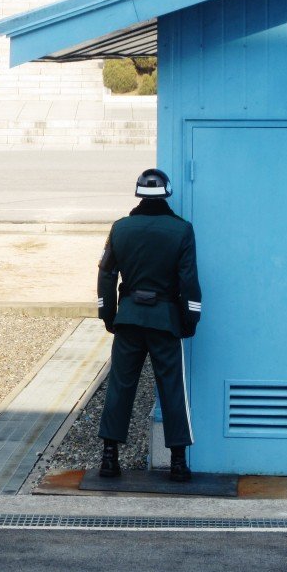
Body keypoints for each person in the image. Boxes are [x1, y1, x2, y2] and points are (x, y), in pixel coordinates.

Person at [96, 168, 202, 482]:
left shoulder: (120, 228)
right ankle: (178, 462)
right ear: (167, 194)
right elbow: (189, 281)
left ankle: (109, 458)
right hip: (165, 320)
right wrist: (190, 319)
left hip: (129, 318)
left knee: (120, 386)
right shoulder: (182, 230)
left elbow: (106, 275)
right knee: (172, 388)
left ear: (139, 194)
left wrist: (109, 315)